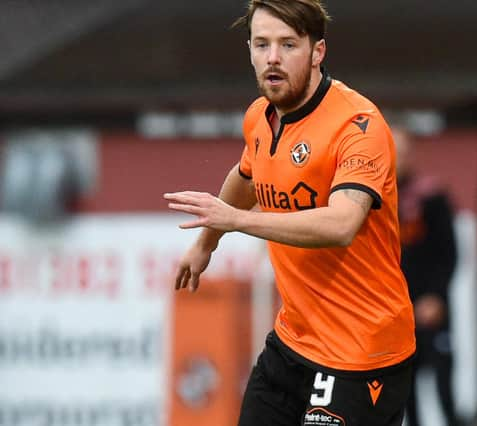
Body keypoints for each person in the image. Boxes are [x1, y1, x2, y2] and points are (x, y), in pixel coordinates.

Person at [163, 1, 416, 425]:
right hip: (293, 343)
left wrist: (238, 222)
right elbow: (246, 175)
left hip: (362, 351)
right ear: (249, 49)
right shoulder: (260, 119)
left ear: (317, 52)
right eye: (262, 44)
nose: (273, 58)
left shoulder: (358, 125)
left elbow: (341, 224)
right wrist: (207, 243)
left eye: (288, 44)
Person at [393, 127, 460, 426]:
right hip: (397, 313)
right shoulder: (373, 202)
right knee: (406, 393)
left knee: (444, 390)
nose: (398, 158)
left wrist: (435, 296)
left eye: (404, 151)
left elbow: (450, 254)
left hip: (433, 309)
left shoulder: (432, 197)